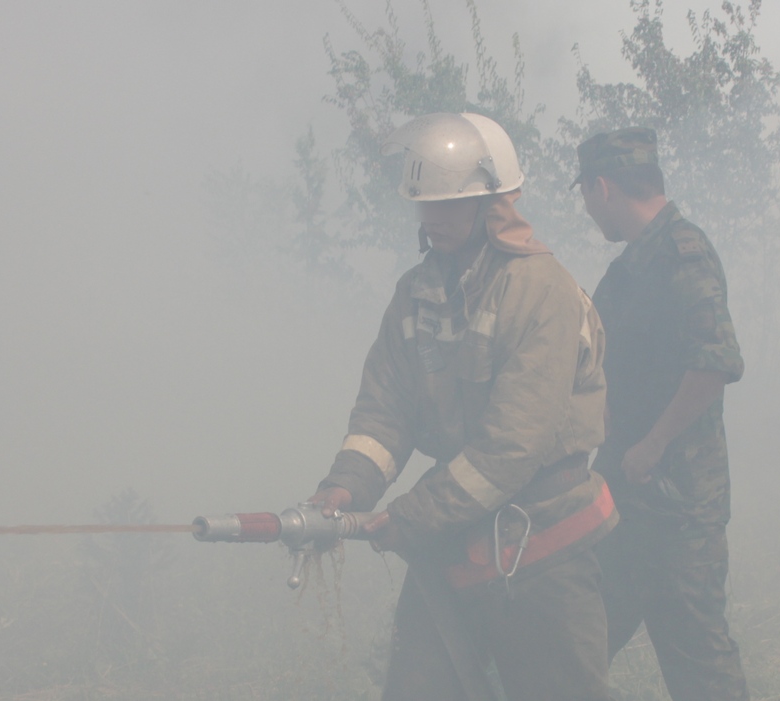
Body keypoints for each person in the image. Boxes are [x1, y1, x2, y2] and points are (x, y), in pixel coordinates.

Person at [311, 112, 618, 701]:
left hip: (543, 545)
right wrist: (345, 489)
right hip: (451, 542)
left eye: (450, 204)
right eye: (425, 205)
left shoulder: (540, 289)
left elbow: (511, 448)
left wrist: (411, 518)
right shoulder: (415, 294)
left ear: (496, 204)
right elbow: (384, 411)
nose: (433, 219)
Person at [574, 127, 749, 701]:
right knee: (573, 644)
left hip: (677, 509)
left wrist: (652, 444)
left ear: (602, 188)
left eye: (584, 194)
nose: (587, 208)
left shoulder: (682, 253)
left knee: (700, 664)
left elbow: (715, 361)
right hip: (623, 501)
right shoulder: (629, 268)